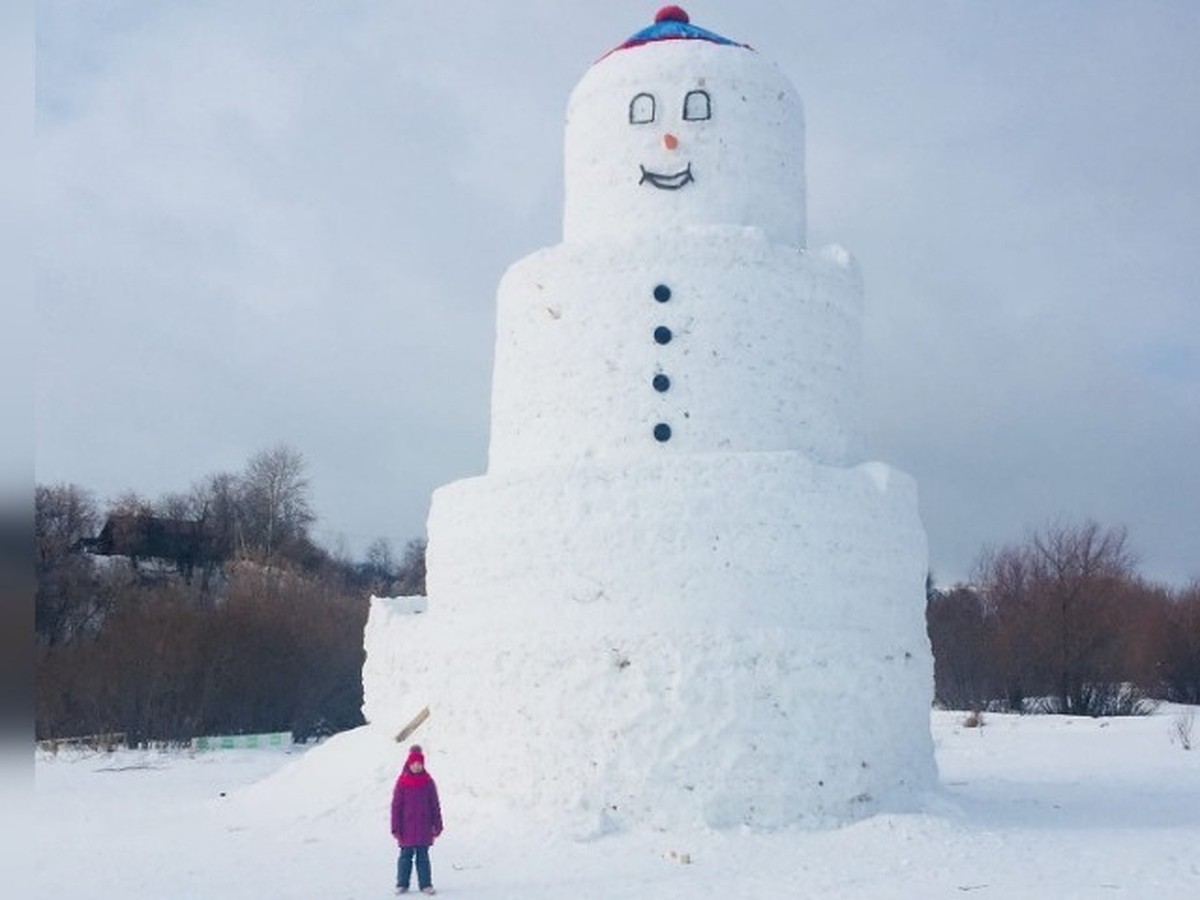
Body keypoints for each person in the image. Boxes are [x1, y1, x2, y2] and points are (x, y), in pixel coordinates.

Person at [391, 744, 443, 895]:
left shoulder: (428, 782)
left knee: (423, 858)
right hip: (406, 828)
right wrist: (395, 827)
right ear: (409, 764)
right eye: (414, 764)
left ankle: (426, 884)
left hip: (424, 827)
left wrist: (437, 825)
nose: (417, 766)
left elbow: (434, 805)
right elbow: (396, 807)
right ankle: (402, 884)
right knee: (405, 857)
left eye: (420, 764)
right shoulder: (402, 782)